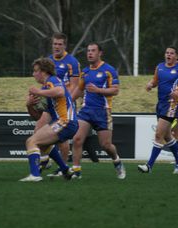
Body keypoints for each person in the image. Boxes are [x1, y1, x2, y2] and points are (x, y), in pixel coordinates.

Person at [138, 46, 178, 174]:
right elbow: (155, 81)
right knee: (167, 136)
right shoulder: (159, 67)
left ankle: (149, 166)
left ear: (176, 56)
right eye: (167, 53)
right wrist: (150, 85)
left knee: (159, 134)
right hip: (161, 104)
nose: (168, 55)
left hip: (173, 104)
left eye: (171, 53)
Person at [71, 42, 126, 180]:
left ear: (100, 53)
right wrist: (69, 99)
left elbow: (115, 90)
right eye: (88, 51)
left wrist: (98, 90)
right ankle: (76, 172)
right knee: (77, 139)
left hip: (103, 111)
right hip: (86, 111)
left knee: (106, 145)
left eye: (93, 51)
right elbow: (79, 89)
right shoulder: (85, 71)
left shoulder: (109, 70)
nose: (90, 53)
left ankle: (117, 161)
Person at [20, 57, 78, 182]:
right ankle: (66, 170)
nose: (33, 74)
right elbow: (37, 117)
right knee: (43, 144)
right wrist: (29, 105)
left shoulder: (53, 80)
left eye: (36, 71)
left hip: (65, 121)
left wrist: (38, 92)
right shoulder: (46, 88)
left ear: (44, 72)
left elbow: (61, 91)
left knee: (31, 142)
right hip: (65, 122)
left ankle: (35, 175)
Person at [43, 32, 81, 175]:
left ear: (64, 45)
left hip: (65, 105)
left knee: (61, 138)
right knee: (39, 128)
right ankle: (44, 158)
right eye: (54, 44)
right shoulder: (48, 61)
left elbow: (75, 86)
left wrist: (65, 103)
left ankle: (62, 167)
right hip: (49, 104)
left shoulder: (72, 62)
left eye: (60, 44)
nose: (57, 46)